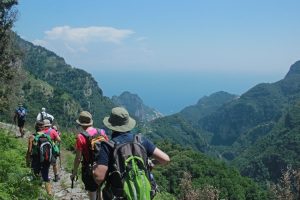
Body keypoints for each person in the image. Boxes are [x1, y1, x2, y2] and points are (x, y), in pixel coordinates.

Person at [93, 107, 170, 199]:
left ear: (111, 125)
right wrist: (150, 162)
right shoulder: (141, 140)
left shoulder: (108, 146)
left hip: (120, 195)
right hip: (143, 193)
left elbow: (99, 178)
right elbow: (165, 159)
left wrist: (94, 168)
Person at [70, 111, 108, 200]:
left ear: (81, 124)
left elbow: (78, 158)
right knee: (100, 188)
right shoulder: (102, 132)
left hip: (89, 169)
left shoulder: (80, 137)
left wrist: (74, 172)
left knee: (92, 193)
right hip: (102, 167)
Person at [26, 121, 53, 196]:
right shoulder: (47, 137)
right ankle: (49, 194)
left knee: (35, 176)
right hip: (46, 160)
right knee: (46, 177)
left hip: (36, 160)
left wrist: (27, 160)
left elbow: (29, 150)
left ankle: (37, 195)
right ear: (43, 128)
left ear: (35, 127)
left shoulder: (32, 137)